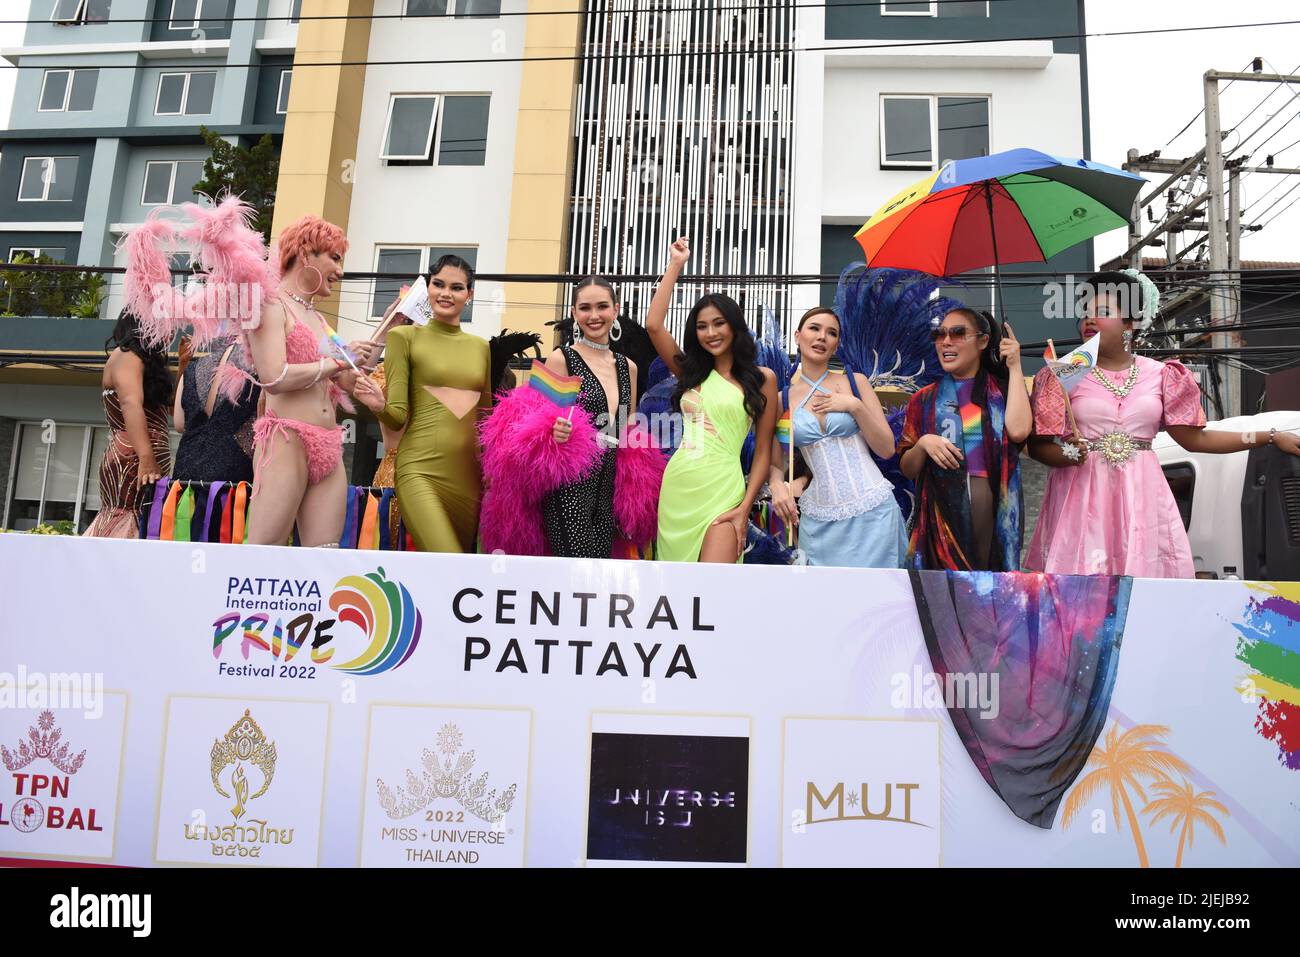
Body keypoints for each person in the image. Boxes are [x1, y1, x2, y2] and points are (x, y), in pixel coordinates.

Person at [1027, 269, 1300, 578]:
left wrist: (1269, 435)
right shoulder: (1062, 374)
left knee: (1147, 595)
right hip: (1082, 498)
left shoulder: (1162, 374)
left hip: (1142, 497)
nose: (1089, 320)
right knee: (1081, 599)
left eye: (1102, 312)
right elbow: (1036, 447)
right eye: (1084, 313)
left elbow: (1196, 440)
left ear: (1129, 324)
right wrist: (1067, 454)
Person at [478, 277, 663, 558]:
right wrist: (553, 432)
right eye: (585, 308)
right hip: (569, 489)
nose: (594, 315)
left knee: (598, 576)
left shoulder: (630, 368)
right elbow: (530, 426)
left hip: (608, 493)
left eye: (602, 306)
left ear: (616, 310)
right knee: (575, 571)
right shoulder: (560, 359)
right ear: (575, 313)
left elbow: (628, 428)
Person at [646, 238, 779, 563]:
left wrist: (745, 507)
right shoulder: (689, 373)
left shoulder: (763, 380)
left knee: (713, 589)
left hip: (725, 489)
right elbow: (653, 325)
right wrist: (676, 265)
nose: (711, 332)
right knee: (677, 592)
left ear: (734, 327)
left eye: (719, 323)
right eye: (702, 326)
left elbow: (763, 452)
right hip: (680, 486)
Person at [243, 215, 372, 547]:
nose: (340, 272)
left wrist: (392, 324)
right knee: (264, 551)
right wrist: (334, 363)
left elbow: (349, 377)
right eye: (335, 258)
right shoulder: (269, 305)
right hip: (286, 439)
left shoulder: (318, 318)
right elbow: (274, 377)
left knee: (325, 558)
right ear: (305, 253)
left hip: (328, 443)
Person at [353, 255, 492, 553]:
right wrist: (378, 405)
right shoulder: (404, 338)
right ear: (427, 288)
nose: (445, 293)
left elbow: (487, 420)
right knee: (448, 559)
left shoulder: (481, 347)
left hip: (469, 478)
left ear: (469, 295)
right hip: (419, 470)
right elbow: (397, 417)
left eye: (456, 287)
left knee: (460, 569)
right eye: (438, 284)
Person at [768, 307, 907, 568]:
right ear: (797, 336)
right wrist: (777, 485)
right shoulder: (783, 399)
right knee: (823, 605)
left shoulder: (856, 383)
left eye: (831, 333)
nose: (822, 337)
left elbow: (887, 448)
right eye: (814, 328)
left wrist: (854, 406)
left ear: (836, 345)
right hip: (818, 523)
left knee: (880, 604)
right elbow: (776, 463)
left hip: (874, 514)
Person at [898, 307, 1031, 571]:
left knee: (985, 588)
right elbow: (907, 467)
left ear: (983, 341)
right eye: (939, 334)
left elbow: (1019, 431)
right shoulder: (923, 399)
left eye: (958, 333)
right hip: (940, 507)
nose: (946, 341)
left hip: (992, 499)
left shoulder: (1003, 391)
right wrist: (924, 442)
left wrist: (1015, 368)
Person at [84, 309, 173, 538]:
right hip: (133, 458)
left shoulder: (141, 361)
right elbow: (130, 404)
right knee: (127, 520)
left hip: (143, 457)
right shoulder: (126, 356)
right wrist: (145, 457)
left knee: (142, 523)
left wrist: (182, 363)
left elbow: (171, 409)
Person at [172, 336, 259, 484]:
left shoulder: (194, 367)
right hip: (232, 487)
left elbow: (180, 424)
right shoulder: (262, 371)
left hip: (185, 482)